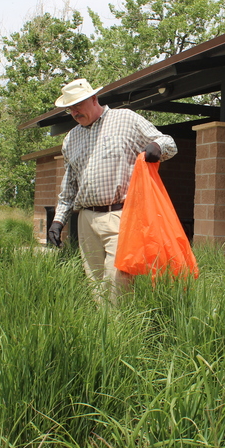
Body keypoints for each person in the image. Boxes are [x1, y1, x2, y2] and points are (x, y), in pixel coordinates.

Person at [47, 78, 177, 304]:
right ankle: (104, 335)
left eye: (78, 105)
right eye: (70, 108)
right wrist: (58, 221)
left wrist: (158, 147)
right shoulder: (71, 138)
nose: (75, 112)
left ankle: (122, 334)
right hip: (86, 219)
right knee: (96, 287)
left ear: (94, 98)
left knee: (118, 285)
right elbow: (69, 186)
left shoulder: (126, 119)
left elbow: (168, 142)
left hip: (121, 216)